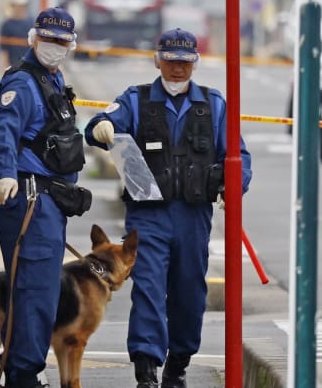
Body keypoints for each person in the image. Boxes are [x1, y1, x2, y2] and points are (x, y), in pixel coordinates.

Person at [84, 28, 252, 388]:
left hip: (193, 216)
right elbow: (101, 122)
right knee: (147, 286)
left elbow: (238, 155)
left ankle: (178, 363)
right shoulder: (136, 100)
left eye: (185, 62)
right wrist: (101, 129)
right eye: (172, 61)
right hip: (148, 214)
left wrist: (233, 186)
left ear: (195, 63)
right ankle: (146, 369)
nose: (178, 69)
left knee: (189, 291)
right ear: (157, 59)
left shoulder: (214, 105)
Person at [0, 7, 90, 388]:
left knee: (42, 292)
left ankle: (24, 367)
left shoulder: (53, 79)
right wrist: (6, 174)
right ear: (34, 38)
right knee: (33, 292)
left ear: (71, 45)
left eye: (62, 41)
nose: (54, 47)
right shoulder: (23, 82)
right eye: (48, 39)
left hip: (50, 203)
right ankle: (22, 374)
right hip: (30, 198)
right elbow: (5, 133)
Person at [0, 0, 33, 69]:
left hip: (29, 63)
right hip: (13, 63)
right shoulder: (7, 24)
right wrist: (4, 67)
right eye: (19, 6)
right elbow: (4, 49)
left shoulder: (30, 22)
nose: (21, 8)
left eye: (23, 6)